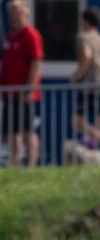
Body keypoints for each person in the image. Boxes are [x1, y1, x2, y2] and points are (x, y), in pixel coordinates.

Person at [0, 0, 44, 166]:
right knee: (13, 131)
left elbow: (36, 62)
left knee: (27, 130)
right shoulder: (11, 36)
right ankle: (14, 165)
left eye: (18, 13)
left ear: (26, 14)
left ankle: (31, 165)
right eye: (11, 14)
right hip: (9, 92)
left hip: (24, 92)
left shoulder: (31, 34)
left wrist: (30, 89)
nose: (14, 17)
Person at [70, 8, 100, 147]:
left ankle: (97, 137)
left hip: (90, 84)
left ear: (85, 21)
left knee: (76, 121)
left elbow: (86, 55)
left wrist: (77, 75)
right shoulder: (98, 37)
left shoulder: (84, 36)